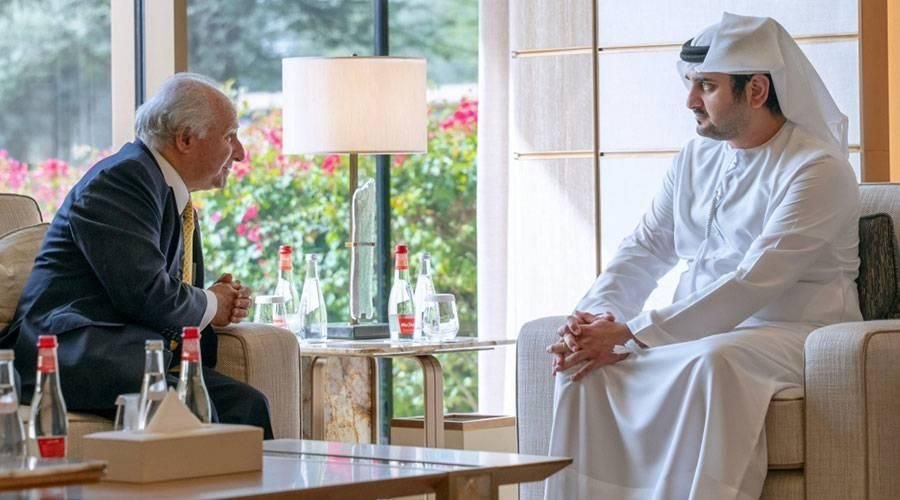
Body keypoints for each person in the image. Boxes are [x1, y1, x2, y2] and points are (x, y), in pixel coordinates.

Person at [545, 13, 860, 499]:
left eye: (707, 86)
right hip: (690, 329)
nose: (690, 100)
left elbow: (753, 280)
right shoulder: (695, 158)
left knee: (714, 360)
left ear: (757, 90)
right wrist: (593, 319)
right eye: (691, 83)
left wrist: (632, 332)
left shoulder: (817, 168)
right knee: (582, 367)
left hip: (792, 332)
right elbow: (646, 247)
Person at [0, 73, 274, 438]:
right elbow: (145, 292)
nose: (239, 152)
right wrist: (211, 303)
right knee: (210, 410)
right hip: (69, 354)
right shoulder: (122, 180)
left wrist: (212, 303)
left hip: (128, 355)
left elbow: (154, 290)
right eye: (229, 136)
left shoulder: (166, 191)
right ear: (185, 139)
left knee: (248, 406)